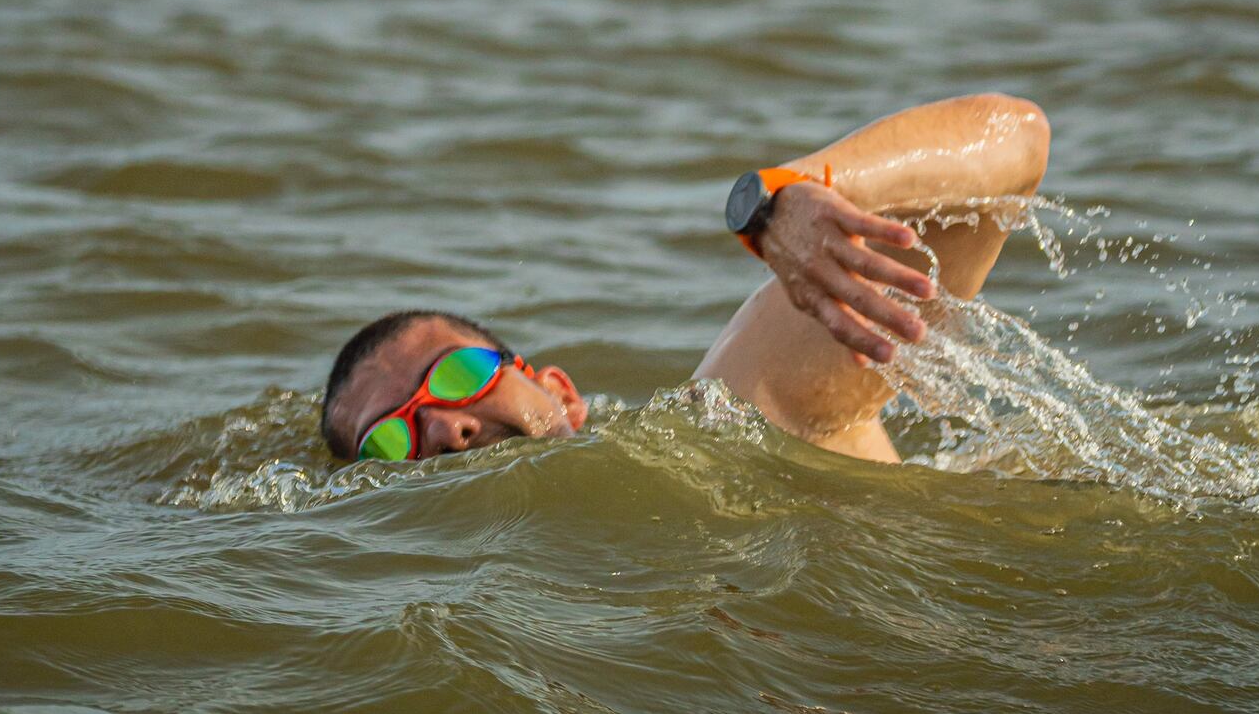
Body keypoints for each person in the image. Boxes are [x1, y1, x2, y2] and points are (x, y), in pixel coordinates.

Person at [319, 93, 1050, 464]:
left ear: (562, 394)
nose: (446, 426)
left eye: (455, 375)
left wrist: (789, 193)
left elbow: (1017, 137)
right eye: (390, 439)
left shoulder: (732, 422)